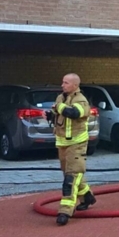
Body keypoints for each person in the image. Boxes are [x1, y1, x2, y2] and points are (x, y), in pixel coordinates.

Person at [48, 73, 95, 226]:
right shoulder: (61, 98)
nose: (62, 85)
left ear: (75, 85)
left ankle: (65, 211)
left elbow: (73, 113)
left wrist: (59, 107)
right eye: (63, 82)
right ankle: (87, 196)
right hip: (62, 144)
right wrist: (50, 115)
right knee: (69, 173)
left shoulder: (81, 100)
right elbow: (58, 115)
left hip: (77, 143)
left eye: (66, 83)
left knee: (71, 178)